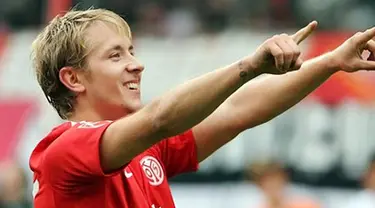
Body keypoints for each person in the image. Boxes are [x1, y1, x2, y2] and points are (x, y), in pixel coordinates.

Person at [29, 8, 375, 208]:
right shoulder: (64, 151)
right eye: (116, 55)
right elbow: (160, 118)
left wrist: (331, 62)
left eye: (132, 51)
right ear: (73, 79)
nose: (136, 65)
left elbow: (240, 110)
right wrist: (249, 66)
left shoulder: (146, 147)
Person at [248, 160, 320, 208]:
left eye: (277, 180)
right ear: (259, 185)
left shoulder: (306, 204)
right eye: (269, 182)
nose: (274, 185)